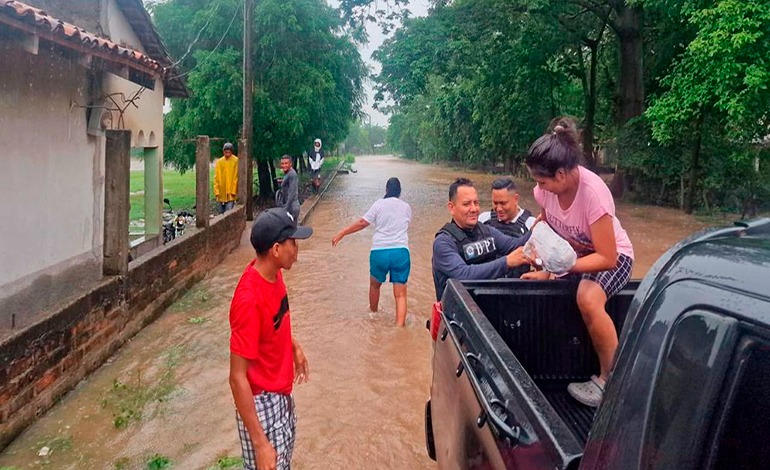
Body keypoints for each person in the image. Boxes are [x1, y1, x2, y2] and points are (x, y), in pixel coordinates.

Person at [522, 117, 634, 408]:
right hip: (575, 258)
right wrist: (544, 267)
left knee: (587, 297)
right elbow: (547, 224)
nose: (538, 188)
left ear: (561, 174)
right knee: (538, 288)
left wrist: (562, 268)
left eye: (542, 181)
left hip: (614, 257)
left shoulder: (594, 195)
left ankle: (611, 383)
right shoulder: (544, 191)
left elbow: (608, 257)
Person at [229, 207, 312, 470]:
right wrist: (260, 443)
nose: (297, 249)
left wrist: (294, 346)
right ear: (276, 249)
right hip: (261, 402)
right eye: (293, 243)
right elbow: (237, 377)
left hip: (281, 392)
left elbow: (275, 320)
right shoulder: (248, 300)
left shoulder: (274, 274)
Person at [432, 178, 531, 301]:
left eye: (476, 203)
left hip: (486, 305)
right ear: (452, 208)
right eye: (466, 204)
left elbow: (515, 245)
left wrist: (540, 225)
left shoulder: (487, 231)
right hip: (457, 310)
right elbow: (463, 275)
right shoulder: (443, 242)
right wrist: (505, 262)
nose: (474, 209)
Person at [332, 177, 412, 326]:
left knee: (375, 286)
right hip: (400, 253)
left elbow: (363, 223)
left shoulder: (379, 204)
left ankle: (373, 316)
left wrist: (343, 232)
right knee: (400, 295)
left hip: (380, 252)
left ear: (386, 190)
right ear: (399, 192)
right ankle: (399, 328)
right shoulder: (406, 207)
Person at [479, 178, 536, 278]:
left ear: (516, 199)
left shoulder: (531, 224)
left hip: (518, 283)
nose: (499, 208)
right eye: (495, 203)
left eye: (503, 203)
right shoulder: (483, 220)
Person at [214, 142, 239, 214]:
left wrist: (234, 191)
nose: (227, 154)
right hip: (221, 193)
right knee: (220, 213)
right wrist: (216, 191)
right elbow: (216, 177)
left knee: (228, 213)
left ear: (231, 152)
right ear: (223, 152)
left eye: (229, 152)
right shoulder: (219, 162)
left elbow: (236, 176)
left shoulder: (236, 161)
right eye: (226, 152)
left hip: (231, 193)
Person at [279, 155, 300, 221]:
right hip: (288, 205)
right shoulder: (287, 173)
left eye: (286, 163)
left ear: (290, 164)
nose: (284, 165)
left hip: (292, 207)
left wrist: (286, 207)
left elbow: (292, 193)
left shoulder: (292, 174)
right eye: (282, 163)